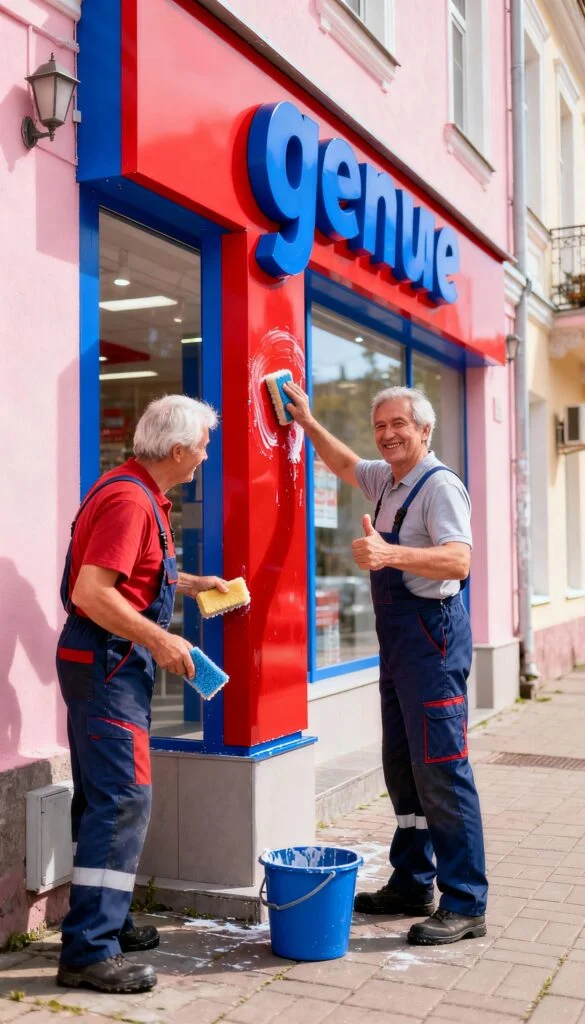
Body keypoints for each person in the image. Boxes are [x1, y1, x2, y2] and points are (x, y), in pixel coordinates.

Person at [284, 382, 488, 946]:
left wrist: (389, 554)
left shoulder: (439, 485)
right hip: (399, 644)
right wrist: (308, 422)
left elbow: (459, 560)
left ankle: (466, 901)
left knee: (441, 768)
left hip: (433, 640)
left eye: (400, 424)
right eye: (381, 426)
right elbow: (344, 464)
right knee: (402, 765)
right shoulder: (387, 480)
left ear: (425, 430)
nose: (389, 434)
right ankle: (412, 882)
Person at [55, 395, 227, 993]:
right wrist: (161, 639)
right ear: (177, 450)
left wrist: (195, 584)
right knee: (123, 799)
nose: (205, 456)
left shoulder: (132, 489)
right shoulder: (131, 501)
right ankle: (89, 949)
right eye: (202, 446)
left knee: (102, 797)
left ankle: (107, 919)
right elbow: (92, 592)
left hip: (105, 663)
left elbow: (135, 572)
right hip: (109, 664)